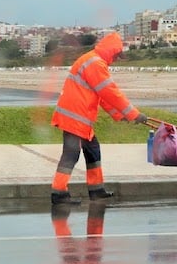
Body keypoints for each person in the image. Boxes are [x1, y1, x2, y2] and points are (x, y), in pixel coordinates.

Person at [50, 32, 147, 205]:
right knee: (71, 154)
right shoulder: (95, 63)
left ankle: (96, 190)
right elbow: (110, 92)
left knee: (93, 150)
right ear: (112, 51)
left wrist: (119, 114)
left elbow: (101, 94)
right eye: (117, 55)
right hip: (75, 116)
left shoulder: (94, 61)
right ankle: (59, 194)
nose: (116, 59)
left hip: (79, 116)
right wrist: (133, 113)